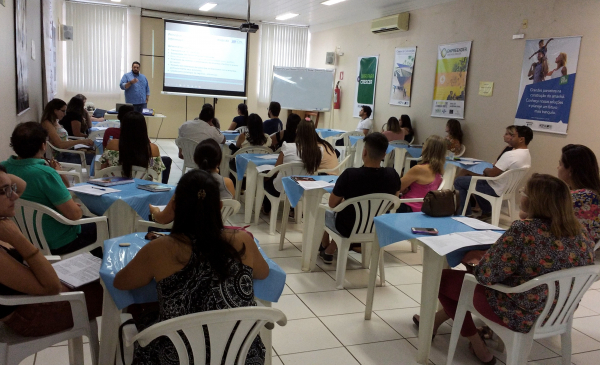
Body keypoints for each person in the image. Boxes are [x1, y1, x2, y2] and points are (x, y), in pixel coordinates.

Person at [415, 174, 594, 364]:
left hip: (518, 312)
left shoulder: (524, 230)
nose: (521, 196)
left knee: (445, 280)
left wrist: (475, 263)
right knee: (466, 283)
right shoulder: (581, 233)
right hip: (558, 312)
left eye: (524, 192)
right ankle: (435, 322)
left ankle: (477, 344)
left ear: (535, 201)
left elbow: (485, 276)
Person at [114, 169, 269, 365]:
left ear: (175, 207)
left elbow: (121, 282)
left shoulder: (159, 248)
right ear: (220, 207)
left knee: (141, 319)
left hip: (176, 358)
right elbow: (263, 273)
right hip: (241, 355)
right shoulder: (242, 240)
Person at [0, 164, 103, 337]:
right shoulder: (6, 233)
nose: (15, 195)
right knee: (125, 290)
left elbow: (22, 184)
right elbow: (52, 287)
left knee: (120, 280)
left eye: (12, 188)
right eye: (5, 191)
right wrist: (18, 238)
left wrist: (4, 178)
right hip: (28, 316)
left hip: (33, 297)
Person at [1, 122, 99, 256]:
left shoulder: (3, 170)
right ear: (43, 145)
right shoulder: (45, 174)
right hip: (57, 242)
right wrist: (75, 208)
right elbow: (74, 215)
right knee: (102, 225)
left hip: (20, 239)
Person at [320, 133, 401, 263]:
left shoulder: (350, 175)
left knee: (327, 211)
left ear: (364, 152)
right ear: (384, 154)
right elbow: (392, 203)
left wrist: (345, 201)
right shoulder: (393, 175)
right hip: (378, 227)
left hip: (347, 228)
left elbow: (332, 204)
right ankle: (329, 248)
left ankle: (326, 247)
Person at [454, 125, 533, 220]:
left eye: (514, 136)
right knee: (475, 180)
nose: (511, 138)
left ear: (521, 139)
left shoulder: (510, 154)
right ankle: (487, 211)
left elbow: (492, 174)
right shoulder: (527, 155)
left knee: (459, 181)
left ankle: (465, 214)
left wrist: (486, 170)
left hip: (494, 187)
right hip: (507, 188)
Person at [149, 140, 235, 225]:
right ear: (219, 161)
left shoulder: (188, 182)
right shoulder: (227, 183)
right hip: (215, 234)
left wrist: (155, 212)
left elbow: (164, 219)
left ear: (195, 159)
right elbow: (230, 210)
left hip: (186, 235)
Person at [262, 119, 335, 213]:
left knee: (266, 180)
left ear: (297, 131)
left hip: (281, 188)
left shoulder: (287, 147)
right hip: (303, 189)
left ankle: (266, 209)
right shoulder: (318, 151)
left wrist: (266, 177)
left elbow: (276, 170)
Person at [100, 111, 165, 179]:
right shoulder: (153, 149)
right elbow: (156, 175)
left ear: (123, 127)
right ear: (143, 128)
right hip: (142, 188)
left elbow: (103, 170)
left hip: (115, 187)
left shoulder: (112, 144)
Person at [557, 144, 600, 243]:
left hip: (572, 250)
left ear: (570, 170)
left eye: (560, 164)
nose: (557, 167)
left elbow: (529, 214)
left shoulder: (575, 197)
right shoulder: (592, 193)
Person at [397, 135, 446, 213]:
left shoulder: (419, 169)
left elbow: (397, 187)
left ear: (426, 149)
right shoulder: (438, 171)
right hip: (424, 209)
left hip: (408, 207)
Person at [40, 98, 94, 164]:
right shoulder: (47, 124)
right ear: (55, 110)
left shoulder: (55, 121)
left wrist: (82, 143)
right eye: (63, 111)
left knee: (94, 154)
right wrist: (81, 141)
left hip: (66, 152)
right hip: (60, 157)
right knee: (94, 159)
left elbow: (63, 139)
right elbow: (60, 144)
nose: (65, 114)